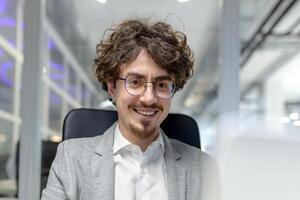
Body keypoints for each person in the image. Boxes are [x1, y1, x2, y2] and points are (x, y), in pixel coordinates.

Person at [41, 19, 219, 200]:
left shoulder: (204, 168)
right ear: (112, 88)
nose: (149, 98)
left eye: (162, 84)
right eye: (135, 82)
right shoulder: (71, 158)